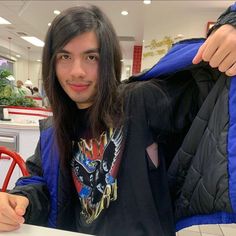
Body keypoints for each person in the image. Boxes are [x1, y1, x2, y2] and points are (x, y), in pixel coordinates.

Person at [0, 4, 235, 236]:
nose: (77, 71)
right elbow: (40, 182)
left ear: (109, 61)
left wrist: (231, 24)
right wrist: (18, 200)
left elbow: (211, 87)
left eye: (91, 57)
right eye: (65, 56)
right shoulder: (54, 129)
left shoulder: (141, 101)